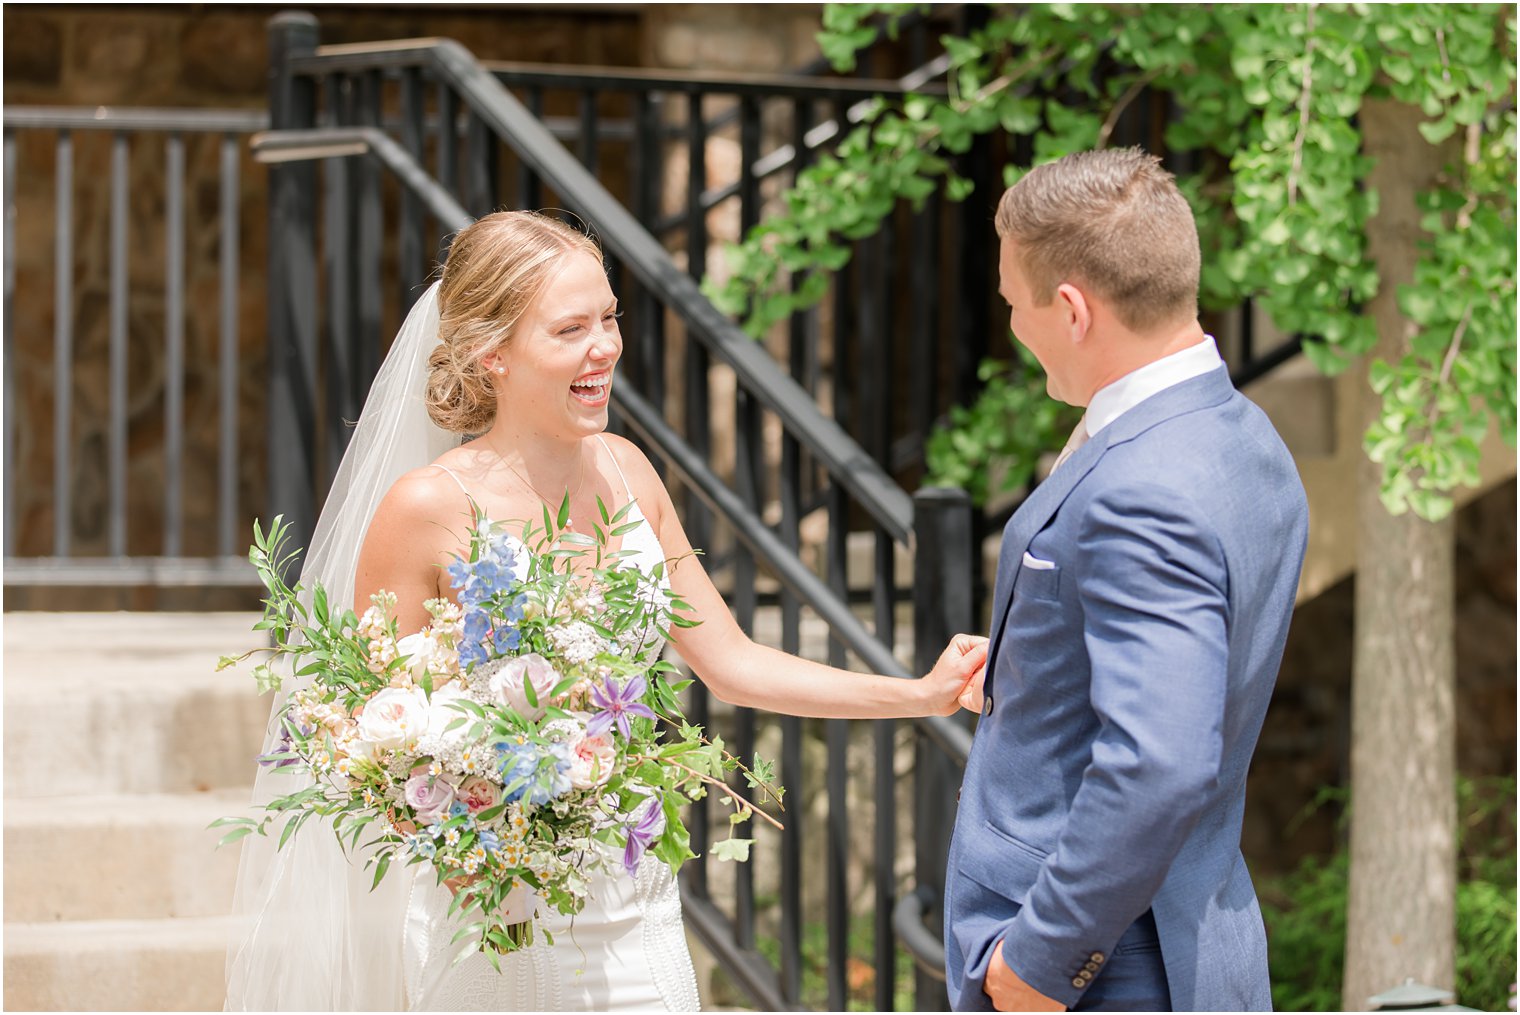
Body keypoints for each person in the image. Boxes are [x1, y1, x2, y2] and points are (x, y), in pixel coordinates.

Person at [224, 210, 988, 1011]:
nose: (607, 346)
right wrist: (475, 830)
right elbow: (373, 732)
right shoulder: (424, 509)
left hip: (634, 905)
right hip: (497, 919)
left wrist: (918, 692)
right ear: (493, 355)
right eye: (571, 329)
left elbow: (733, 663)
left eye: (610, 316)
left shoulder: (629, 472)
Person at [943, 148, 1309, 1012]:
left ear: (1071, 309)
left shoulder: (1143, 486)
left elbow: (1161, 762)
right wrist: (1033, 673)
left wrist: (1038, 961)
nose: (1013, 327)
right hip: (1189, 927)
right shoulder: (1242, 434)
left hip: (1111, 967)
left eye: (1013, 306)